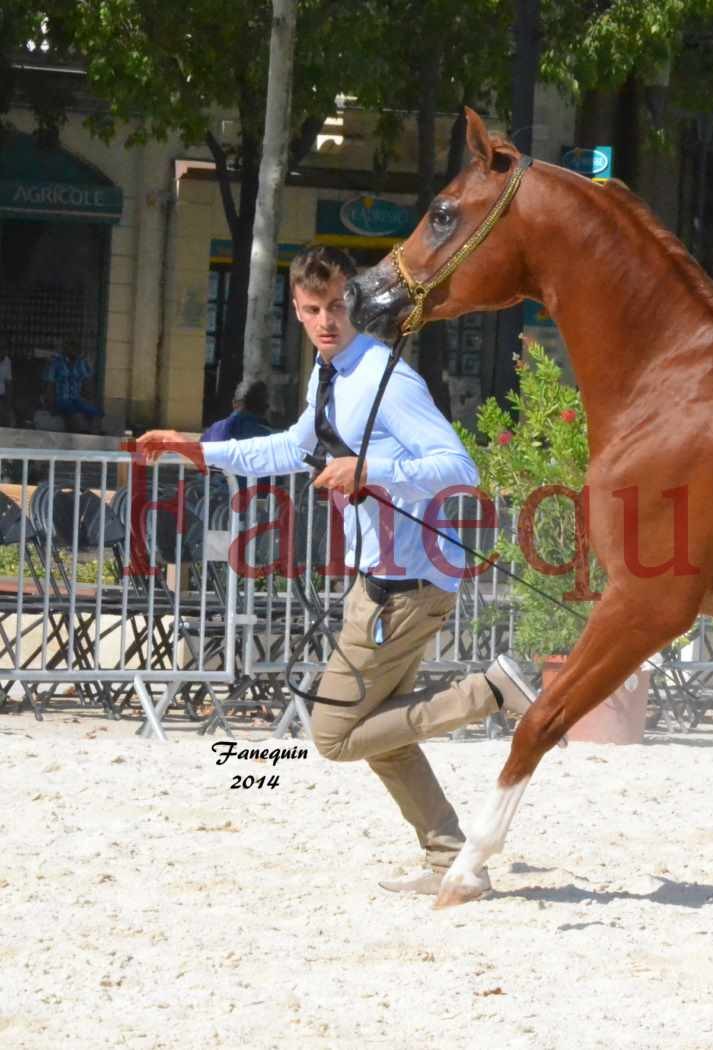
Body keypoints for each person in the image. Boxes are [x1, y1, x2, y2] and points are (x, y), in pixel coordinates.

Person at [137, 244, 535, 899]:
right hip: (378, 582)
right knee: (382, 736)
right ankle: (448, 861)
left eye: (336, 306)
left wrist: (372, 470)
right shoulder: (327, 375)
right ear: (295, 311)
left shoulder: (385, 377)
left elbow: (459, 468)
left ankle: (491, 692)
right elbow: (293, 448)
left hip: (406, 587)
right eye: (312, 309)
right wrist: (199, 450)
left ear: (356, 301)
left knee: (332, 735)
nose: (326, 320)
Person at [45, 342, 104, 433]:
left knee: (95, 412)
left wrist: (90, 401)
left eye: (75, 349)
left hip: (77, 399)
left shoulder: (82, 364)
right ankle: (81, 433)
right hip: (62, 399)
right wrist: (51, 404)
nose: (73, 351)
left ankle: (94, 435)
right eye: (70, 348)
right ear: (65, 350)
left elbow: (88, 385)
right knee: (74, 414)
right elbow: (50, 385)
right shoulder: (56, 364)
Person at [201, 381, 274, 442]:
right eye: (267, 404)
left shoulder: (213, 429)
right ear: (264, 408)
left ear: (233, 403)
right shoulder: (266, 437)